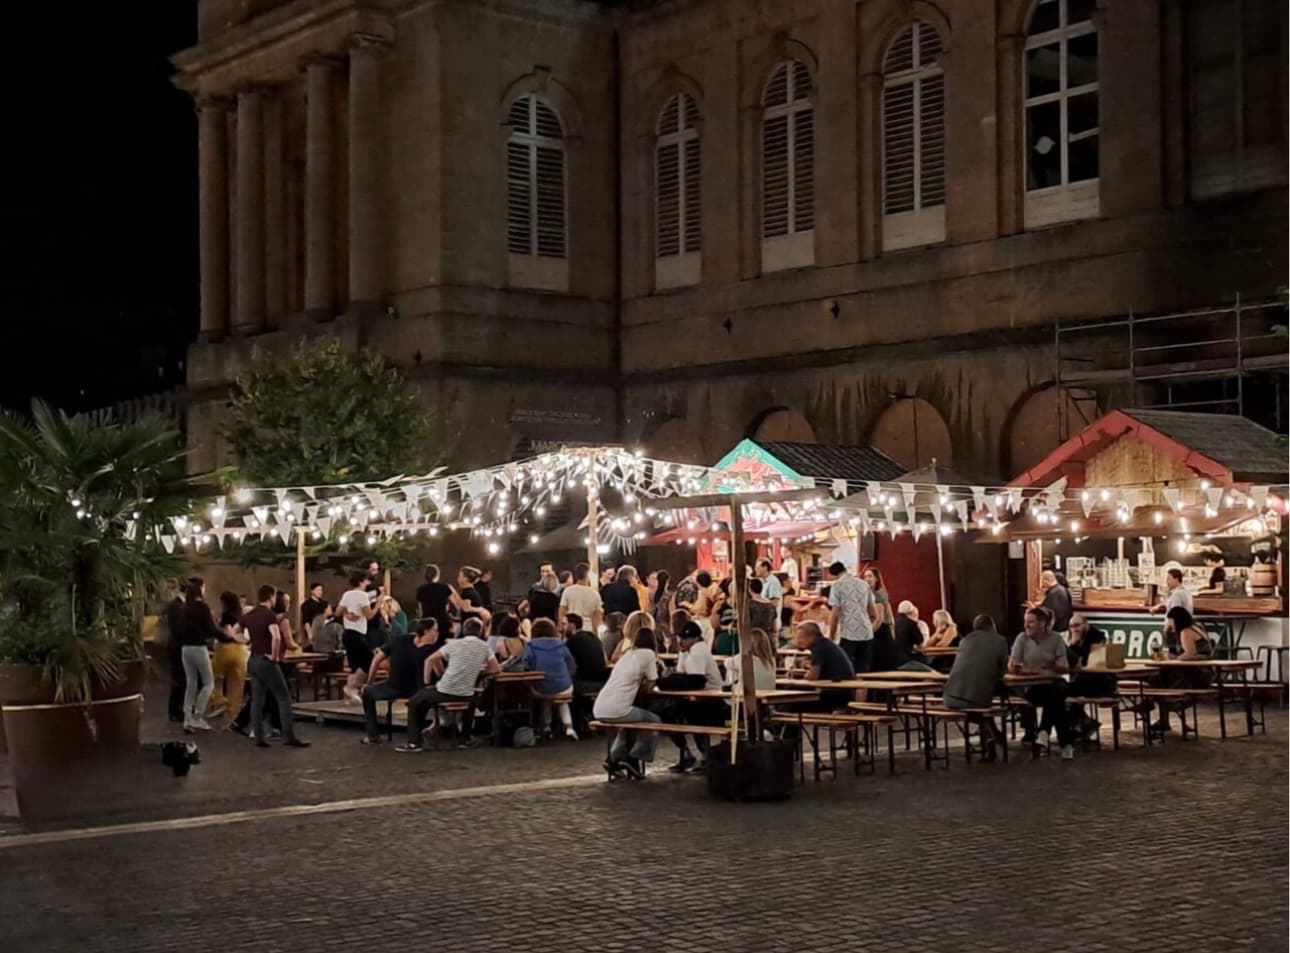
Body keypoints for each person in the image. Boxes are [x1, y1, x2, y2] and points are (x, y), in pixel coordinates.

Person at [399, 617, 499, 753]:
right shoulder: (485, 647)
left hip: (445, 690)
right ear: (480, 632)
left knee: (414, 702)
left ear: (463, 630)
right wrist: (478, 671)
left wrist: (427, 681)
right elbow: (496, 669)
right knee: (472, 699)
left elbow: (430, 660)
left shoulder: (453, 644)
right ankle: (465, 739)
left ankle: (414, 742)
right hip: (465, 694)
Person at [242, 584, 309, 748]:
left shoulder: (250, 615)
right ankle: (288, 736)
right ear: (271, 597)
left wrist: (248, 643)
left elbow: (235, 631)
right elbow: (277, 637)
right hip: (266, 661)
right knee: (283, 697)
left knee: (257, 700)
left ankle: (258, 736)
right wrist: (273, 655)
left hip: (253, 659)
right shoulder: (269, 615)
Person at [591, 626, 662, 778]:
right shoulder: (649, 654)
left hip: (599, 707)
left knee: (626, 727)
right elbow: (652, 683)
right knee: (654, 721)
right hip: (619, 709)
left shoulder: (628, 654)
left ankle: (614, 759)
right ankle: (634, 757)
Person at [658, 620, 727, 774]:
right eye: (680, 638)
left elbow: (696, 680)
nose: (681, 641)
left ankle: (704, 757)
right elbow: (682, 674)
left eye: (685, 638)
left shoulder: (699, 650)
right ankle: (687, 754)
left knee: (686, 714)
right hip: (697, 698)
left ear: (695, 639)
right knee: (668, 712)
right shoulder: (687, 651)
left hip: (712, 700)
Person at [1009, 607, 1074, 760]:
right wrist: (1037, 671)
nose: (1026, 626)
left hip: (1051, 684)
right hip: (1030, 687)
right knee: (1058, 700)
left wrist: (1051, 668)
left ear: (1042, 623)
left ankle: (1045, 732)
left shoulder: (1056, 639)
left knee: (1059, 690)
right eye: (1025, 622)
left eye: (1030, 622)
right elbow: (1012, 665)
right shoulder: (1021, 639)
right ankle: (1063, 743)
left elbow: (1064, 666)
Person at [942, 614, 1009, 760]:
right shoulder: (1000, 641)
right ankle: (993, 735)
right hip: (978, 700)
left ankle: (991, 737)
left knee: (980, 704)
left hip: (949, 698)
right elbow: (1003, 671)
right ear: (993, 626)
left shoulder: (965, 641)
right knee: (984, 702)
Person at [361, 619, 439, 744]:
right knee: (425, 695)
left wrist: (369, 681)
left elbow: (377, 658)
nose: (437, 633)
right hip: (417, 690)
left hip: (394, 687)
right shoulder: (430, 647)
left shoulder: (398, 640)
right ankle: (419, 731)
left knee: (367, 692)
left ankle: (373, 735)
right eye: (435, 630)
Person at [1146, 606, 1214, 736]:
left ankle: (1156, 705)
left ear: (1177, 620)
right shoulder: (1196, 626)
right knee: (1162, 679)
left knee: (1159, 679)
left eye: (1170, 620)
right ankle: (1161, 712)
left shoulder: (1186, 632)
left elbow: (1190, 654)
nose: (1169, 623)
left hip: (1196, 674)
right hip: (1204, 672)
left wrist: (1174, 660)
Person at [178, 578, 223, 732]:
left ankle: (187, 718)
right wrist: (227, 637)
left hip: (185, 648)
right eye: (204, 587)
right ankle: (197, 716)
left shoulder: (185, 607)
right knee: (208, 683)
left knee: (191, 683)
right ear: (200, 589)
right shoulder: (202, 607)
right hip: (199, 647)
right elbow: (211, 628)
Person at [522, 618, 579, 740]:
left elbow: (526, 665)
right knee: (563, 700)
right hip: (565, 686)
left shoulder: (531, 646)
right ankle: (569, 727)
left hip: (542, 688)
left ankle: (546, 727)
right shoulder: (561, 644)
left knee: (545, 700)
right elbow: (572, 664)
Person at [209, 590, 250, 729]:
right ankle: (230, 720)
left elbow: (228, 633)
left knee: (212, 679)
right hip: (240, 652)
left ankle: (220, 701)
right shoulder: (241, 615)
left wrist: (215, 624)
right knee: (237, 688)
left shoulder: (226, 616)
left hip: (225, 649)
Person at [827, 562, 878, 674]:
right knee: (863, 672)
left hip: (849, 634)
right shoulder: (864, 584)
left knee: (843, 669)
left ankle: (847, 692)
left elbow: (835, 614)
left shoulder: (837, 585)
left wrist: (831, 637)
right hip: (866, 633)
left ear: (833, 575)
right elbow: (874, 613)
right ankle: (862, 692)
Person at [1066, 614, 1111, 739]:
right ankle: (1084, 723)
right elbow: (1070, 661)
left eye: (1077, 625)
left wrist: (1074, 645)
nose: (1074, 629)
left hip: (1099, 681)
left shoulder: (1097, 637)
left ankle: (1082, 724)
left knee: (1066, 692)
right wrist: (1074, 644)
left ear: (1086, 624)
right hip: (1083, 680)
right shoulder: (1076, 638)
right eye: (1071, 627)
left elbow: (1087, 660)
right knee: (1063, 692)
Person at [339, 572, 378, 704]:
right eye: (367, 581)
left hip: (347, 633)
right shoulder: (363, 595)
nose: (368, 583)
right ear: (361, 581)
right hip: (357, 634)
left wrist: (347, 613)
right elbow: (370, 615)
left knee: (355, 666)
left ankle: (349, 696)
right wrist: (379, 603)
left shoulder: (347, 594)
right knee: (370, 661)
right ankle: (352, 688)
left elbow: (337, 611)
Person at [163, 579, 189, 723]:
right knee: (179, 679)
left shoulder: (181, 605)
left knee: (183, 679)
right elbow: (178, 627)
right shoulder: (176, 606)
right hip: (178, 646)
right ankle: (174, 711)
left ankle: (179, 709)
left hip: (181, 645)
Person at [564, 613, 609, 694]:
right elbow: (605, 660)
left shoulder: (572, 641)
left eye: (564, 624)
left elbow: (567, 665)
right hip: (602, 681)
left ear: (572, 626)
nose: (560, 628)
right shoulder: (594, 637)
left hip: (583, 682)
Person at [725, 627, 777, 692]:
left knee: (731, 670)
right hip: (768, 693)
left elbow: (727, 663)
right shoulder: (772, 661)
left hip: (746, 694)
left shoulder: (743, 658)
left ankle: (729, 689)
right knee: (736, 669)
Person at [559, 562, 603, 633]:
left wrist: (561, 628)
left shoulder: (568, 591)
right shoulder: (595, 594)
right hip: (588, 628)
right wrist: (596, 634)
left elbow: (562, 611)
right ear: (587, 575)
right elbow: (597, 616)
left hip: (571, 626)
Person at [891, 601, 935, 672]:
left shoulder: (893, 622)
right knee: (932, 672)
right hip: (907, 660)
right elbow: (921, 644)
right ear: (911, 611)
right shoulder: (911, 623)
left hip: (893, 661)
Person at [416, 564, 453, 643]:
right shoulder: (444, 588)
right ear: (437, 575)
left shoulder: (421, 589)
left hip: (427, 621)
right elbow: (452, 603)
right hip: (442, 621)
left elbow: (420, 609)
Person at [1027, 570, 1072, 635]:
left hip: (1058, 631)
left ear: (1047, 580)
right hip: (1064, 629)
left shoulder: (1054, 593)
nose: (1042, 584)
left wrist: (1034, 609)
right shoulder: (1061, 589)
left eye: (1042, 581)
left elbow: (1049, 613)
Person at [863, 566, 894, 637]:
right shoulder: (870, 594)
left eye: (870, 576)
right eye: (865, 577)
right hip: (874, 629)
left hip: (880, 631)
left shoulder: (878, 594)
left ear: (876, 578)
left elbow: (879, 620)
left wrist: (866, 635)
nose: (867, 579)